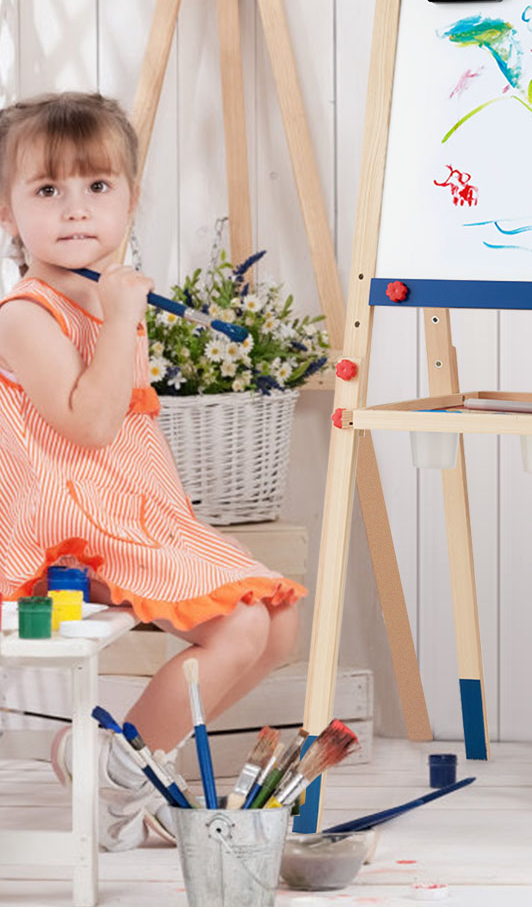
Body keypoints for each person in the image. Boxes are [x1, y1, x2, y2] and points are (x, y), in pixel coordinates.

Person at [0, 91, 305, 850]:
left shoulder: (105, 300)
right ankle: (113, 764)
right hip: (71, 520)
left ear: (132, 199)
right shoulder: (24, 314)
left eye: (98, 187)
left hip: (139, 507)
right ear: (7, 213)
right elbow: (91, 422)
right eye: (48, 191)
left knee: (277, 624)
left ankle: (129, 768)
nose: (77, 211)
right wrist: (123, 318)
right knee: (237, 626)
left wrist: (116, 310)